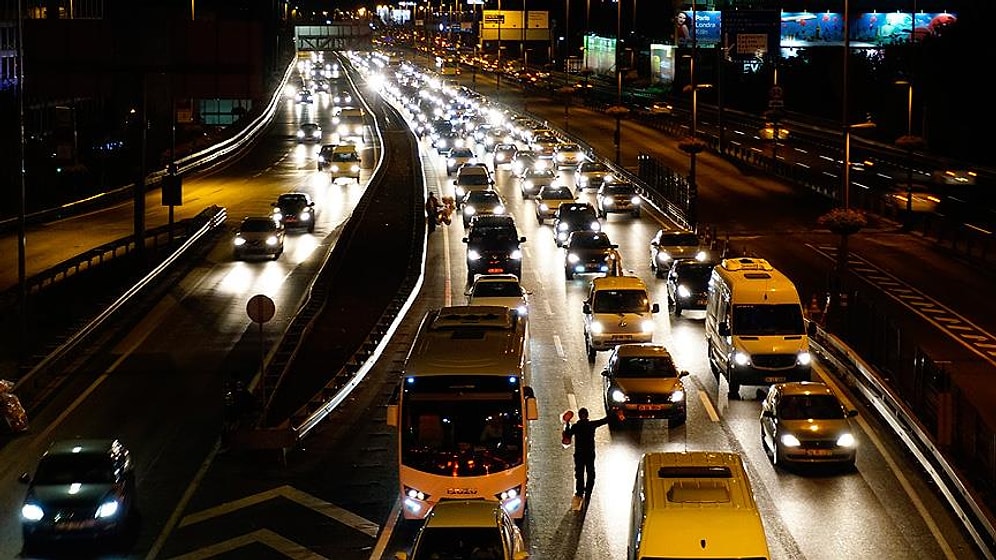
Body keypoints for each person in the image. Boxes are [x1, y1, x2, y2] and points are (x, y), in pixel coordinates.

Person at [562, 407, 617, 509]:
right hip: (589, 453)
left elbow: (567, 436)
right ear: (587, 415)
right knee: (590, 472)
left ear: (579, 415)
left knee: (579, 473)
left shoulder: (576, 427)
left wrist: (567, 423)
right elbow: (605, 420)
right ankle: (588, 491)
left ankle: (579, 491)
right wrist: (614, 411)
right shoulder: (592, 425)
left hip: (579, 454)